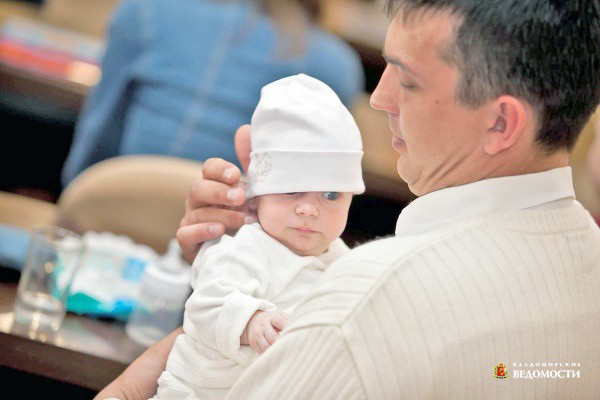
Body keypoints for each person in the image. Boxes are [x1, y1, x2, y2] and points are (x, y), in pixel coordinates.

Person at [96, 1, 600, 399]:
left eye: (406, 79)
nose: (379, 98)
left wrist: (126, 389)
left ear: (501, 122)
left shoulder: (366, 305)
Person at [152, 74, 364, 399]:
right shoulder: (243, 246)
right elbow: (205, 304)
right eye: (291, 189)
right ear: (257, 196)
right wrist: (251, 321)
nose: (309, 209)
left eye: (331, 194)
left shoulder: (345, 263)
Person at [61, 0, 364, 187]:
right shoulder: (338, 67)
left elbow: (96, 141)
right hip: (237, 250)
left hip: (116, 218)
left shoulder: (145, 12)